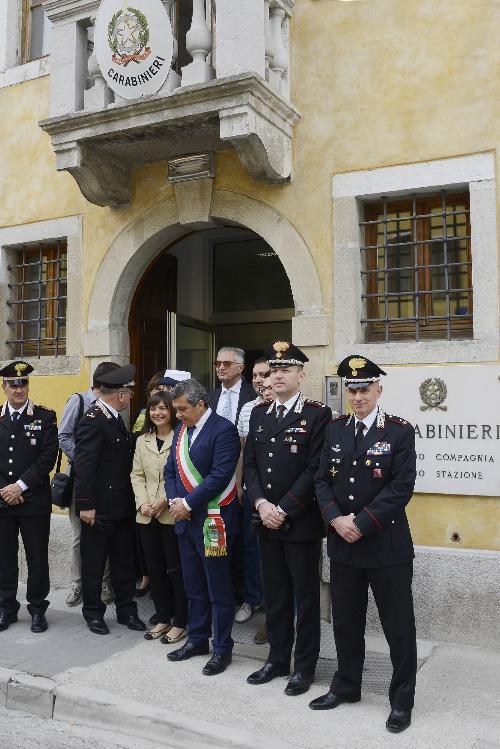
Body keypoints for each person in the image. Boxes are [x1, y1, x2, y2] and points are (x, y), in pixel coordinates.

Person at [311, 355, 417, 734]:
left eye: (364, 389)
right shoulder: (336, 429)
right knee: (346, 621)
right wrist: (336, 520)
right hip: (343, 544)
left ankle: (402, 699)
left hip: (386, 547)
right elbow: (321, 480)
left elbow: (401, 487)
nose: (357, 397)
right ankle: (347, 685)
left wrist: (361, 522)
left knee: (397, 625)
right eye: (352, 390)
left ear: (378, 390)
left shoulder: (399, 431)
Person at [244, 341, 331, 696]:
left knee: (305, 598)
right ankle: (277, 659)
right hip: (266, 520)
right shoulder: (259, 413)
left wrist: (284, 509)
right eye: (274, 370)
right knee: (275, 595)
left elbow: (316, 469)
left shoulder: (317, 414)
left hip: (299, 522)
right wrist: (262, 504)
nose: (277, 376)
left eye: (285, 370)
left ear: (300, 375)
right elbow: (249, 464)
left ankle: (305, 667)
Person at [164, 378, 240, 676]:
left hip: (213, 520)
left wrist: (187, 504)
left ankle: (222, 648)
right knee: (193, 585)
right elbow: (170, 469)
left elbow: (219, 476)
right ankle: (197, 639)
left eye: (183, 409)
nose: (178, 415)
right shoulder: (182, 429)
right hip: (185, 521)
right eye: (176, 409)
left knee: (218, 588)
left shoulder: (223, 430)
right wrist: (173, 501)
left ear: (200, 404)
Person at [74, 364, 145, 635]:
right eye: (129, 391)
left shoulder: (114, 417)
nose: (130, 397)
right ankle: (93, 613)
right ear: (120, 394)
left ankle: (127, 611)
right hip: (99, 508)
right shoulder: (93, 420)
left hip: (121, 506)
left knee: (123, 562)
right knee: (94, 563)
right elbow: (84, 466)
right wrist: (86, 504)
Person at [0, 360, 58, 633]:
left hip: (33, 500)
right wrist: (6, 490)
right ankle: (6, 608)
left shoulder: (44, 417)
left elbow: (47, 458)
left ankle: (37, 608)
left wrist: (19, 487)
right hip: (2, 501)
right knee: (4, 557)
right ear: (4, 387)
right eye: (13, 384)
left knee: (37, 557)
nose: (19, 389)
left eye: (22, 383)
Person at [58, 361, 120, 607]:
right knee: (79, 536)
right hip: (80, 479)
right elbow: (63, 436)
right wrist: (85, 460)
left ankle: (104, 582)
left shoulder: (114, 402)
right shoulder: (79, 401)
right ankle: (77, 584)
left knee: (103, 534)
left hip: (105, 484)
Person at [131, 391, 188, 643]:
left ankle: (181, 621)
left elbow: (180, 476)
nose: (158, 413)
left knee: (176, 570)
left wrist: (163, 500)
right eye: (154, 409)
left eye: (163, 408)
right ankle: (163, 617)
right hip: (146, 515)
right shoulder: (142, 440)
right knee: (155, 570)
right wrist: (143, 503)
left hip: (171, 512)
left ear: (172, 411)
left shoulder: (183, 437)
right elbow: (137, 475)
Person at [234, 357, 271, 626]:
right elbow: (243, 450)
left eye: (265, 374)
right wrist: (238, 484)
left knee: (277, 553)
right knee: (250, 547)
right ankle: (252, 597)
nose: (259, 380)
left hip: (280, 496)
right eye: (256, 375)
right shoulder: (248, 408)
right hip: (251, 491)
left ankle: (274, 607)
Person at [208, 347, 255, 426]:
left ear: (240, 368)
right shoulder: (209, 397)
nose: (221, 368)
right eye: (218, 364)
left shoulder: (254, 395)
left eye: (227, 364)